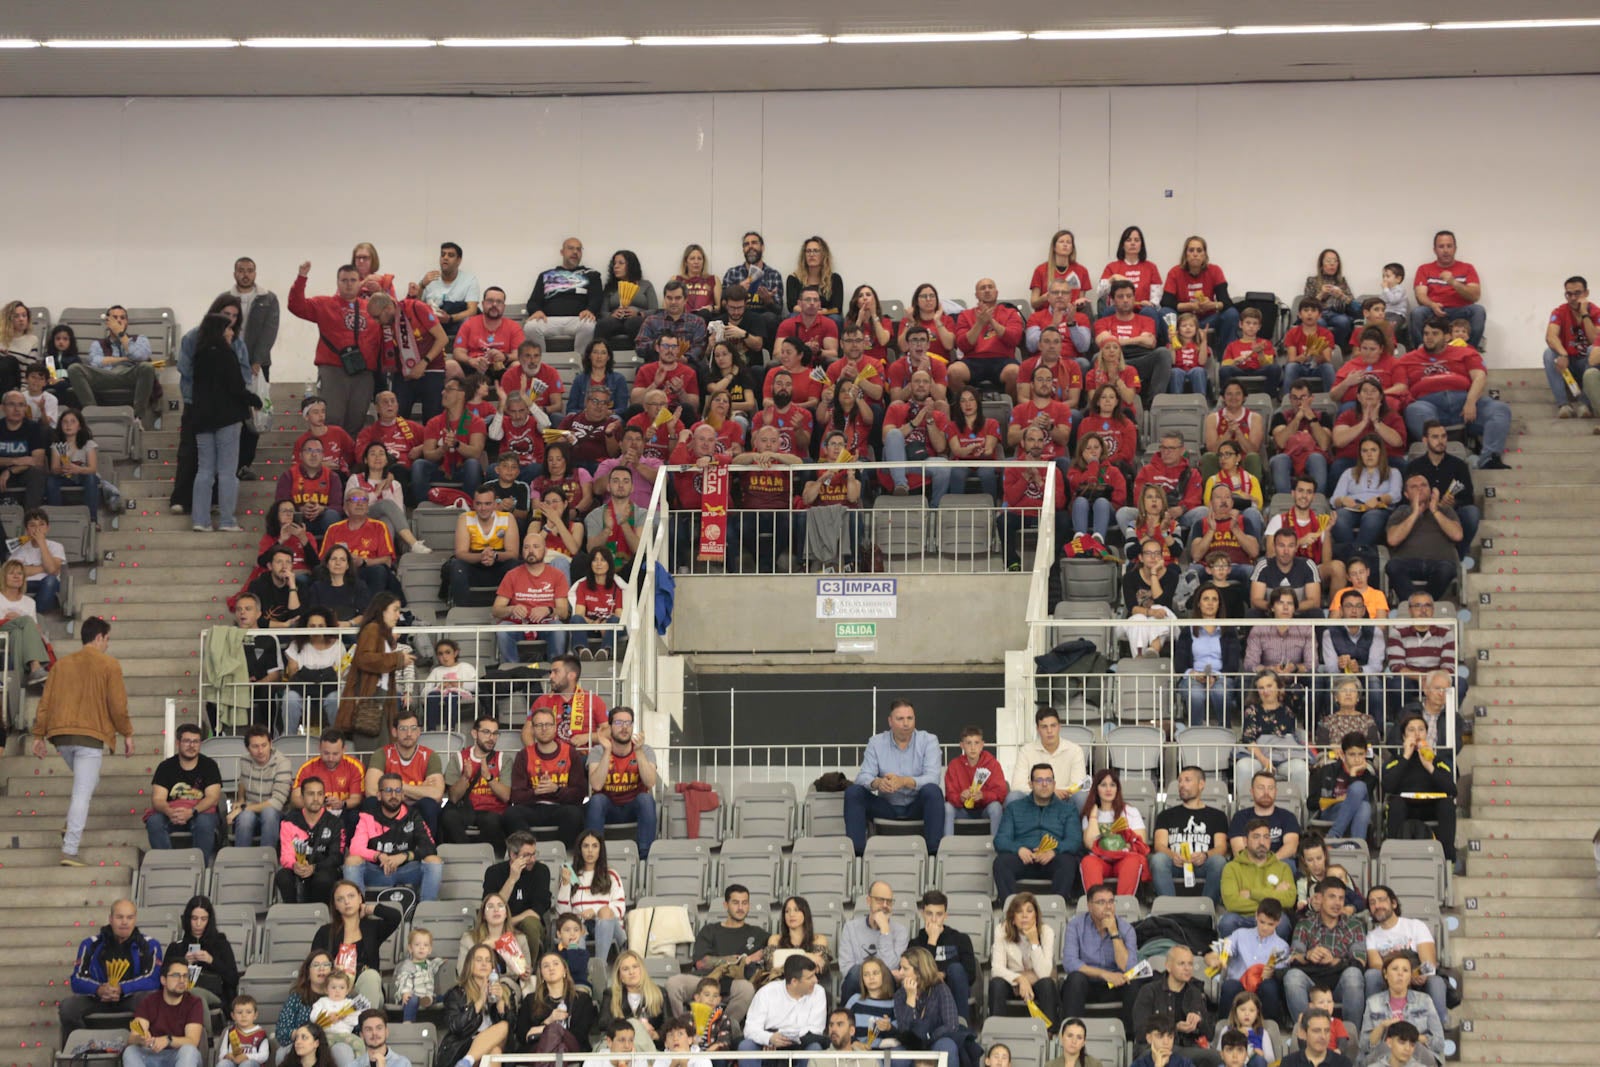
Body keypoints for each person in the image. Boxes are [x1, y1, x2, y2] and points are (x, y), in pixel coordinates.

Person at [29, 614, 131, 865]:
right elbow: (118, 706)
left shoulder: (61, 665)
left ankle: (70, 825)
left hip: (61, 736)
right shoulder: (110, 665)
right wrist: (127, 733)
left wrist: (38, 734)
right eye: (107, 639)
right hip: (90, 736)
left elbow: (45, 703)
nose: (107, 644)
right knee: (82, 794)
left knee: (88, 783)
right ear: (99, 638)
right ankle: (70, 849)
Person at [1395, 317, 1510, 470]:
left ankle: (1488, 459)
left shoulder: (1465, 353)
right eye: (1426, 333)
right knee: (1415, 410)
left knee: (1499, 409)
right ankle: (1441, 458)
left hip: (1464, 403)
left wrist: (1470, 402)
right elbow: (1400, 386)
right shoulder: (1407, 359)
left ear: (1447, 336)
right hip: (1429, 404)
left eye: (1435, 333)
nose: (1429, 337)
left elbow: (1480, 377)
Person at [288, 263, 380, 435]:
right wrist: (301, 278)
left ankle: (350, 452)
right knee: (332, 418)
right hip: (333, 370)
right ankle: (331, 451)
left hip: (363, 373)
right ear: (337, 282)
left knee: (357, 419)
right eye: (344, 280)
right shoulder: (324, 304)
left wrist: (381, 292)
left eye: (353, 280)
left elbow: (392, 316)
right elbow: (296, 306)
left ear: (360, 283)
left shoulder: (371, 308)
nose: (349, 284)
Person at [844, 699, 944, 856]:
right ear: (890, 721)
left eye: (910, 718)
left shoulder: (929, 740)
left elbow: (933, 778)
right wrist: (877, 782)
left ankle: (934, 854)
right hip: (886, 807)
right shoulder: (876, 742)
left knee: (933, 791)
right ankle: (856, 855)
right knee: (853, 792)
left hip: (916, 806)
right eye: (900, 719)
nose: (906, 723)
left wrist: (904, 781)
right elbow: (863, 777)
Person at [57, 899, 162, 1042]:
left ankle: (143, 1046)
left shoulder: (150, 945)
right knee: (68, 1007)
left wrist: (122, 989)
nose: (124, 922)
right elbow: (76, 980)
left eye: (129, 917)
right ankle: (82, 1047)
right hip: (98, 998)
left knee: (150, 1000)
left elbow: (153, 980)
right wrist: (99, 989)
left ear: (135, 920)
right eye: (119, 917)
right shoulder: (90, 944)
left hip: (131, 997)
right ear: (111, 919)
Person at [665, 884, 766, 1020]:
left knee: (747, 989)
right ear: (726, 905)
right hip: (705, 978)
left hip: (733, 983)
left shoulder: (757, 933)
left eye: (744, 903)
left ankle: (723, 1026)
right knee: (673, 983)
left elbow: (777, 942)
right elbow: (701, 963)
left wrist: (770, 945)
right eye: (735, 903)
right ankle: (682, 1026)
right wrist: (738, 960)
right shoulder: (710, 930)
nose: (740, 908)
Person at [342, 771, 443, 902]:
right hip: (377, 870)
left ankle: (426, 910)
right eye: (388, 791)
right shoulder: (368, 816)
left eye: (398, 791)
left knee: (434, 861)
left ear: (403, 794)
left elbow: (429, 847)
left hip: (407, 870)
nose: (394, 795)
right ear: (379, 795)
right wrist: (378, 856)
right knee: (352, 860)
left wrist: (404, 856)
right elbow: (355, 849)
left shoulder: (413, 816)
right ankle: (358, 910)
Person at [994, 763, 1086, 901]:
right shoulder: (1014, 808)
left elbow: (1074, 841)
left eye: (1048, 780)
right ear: (1030, 784)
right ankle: (1011, 908)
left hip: (1052, 859)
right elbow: (1000, 840)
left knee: (1068, 862)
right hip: (1024, 858)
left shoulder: (1068, 809)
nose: (1044, 784)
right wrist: (1018, 849)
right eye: (1039, 780)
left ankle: (1056, 907)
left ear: (1054, 784)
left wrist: (1054, 851)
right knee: (1001, 863)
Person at [1284, 880, 1366, 1030]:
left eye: (1341, 898)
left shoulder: (1354, 925)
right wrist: (1308, 955)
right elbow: (1294, 957)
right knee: (1292, 977)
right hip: (1312, 982)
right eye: (1332, 897)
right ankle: (1306, 1032)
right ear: (1319, 898)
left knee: (1354, 974)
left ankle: (1352, 1035)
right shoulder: (1304, 924)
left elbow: (1360, 960)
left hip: (1341, 981)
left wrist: (1334, 960)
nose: (1337, 903)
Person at [1364, 886, 1448, 1023]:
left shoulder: (1415, 926)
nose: (1377, 906)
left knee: (1436, 982)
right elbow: (1377, 966)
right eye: (1372, 903)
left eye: (1381, 900)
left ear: (1393, 903)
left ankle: (1438, 1032)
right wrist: (1400, 977)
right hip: (1389, 982)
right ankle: (1374, 1027)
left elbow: (1429, 965)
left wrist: (1412, 975)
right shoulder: (1371, 937)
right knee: (1371, 975)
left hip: (1416, 978)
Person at [1061, 883, 1139, 1030]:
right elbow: (1070, 963)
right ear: (1089, 906)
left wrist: (1114, 933)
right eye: (1101, 902)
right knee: (1075, 979)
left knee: (1134, 983)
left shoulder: (1126, 929)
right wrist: (1104, 974)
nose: (1108, 907)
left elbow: (1128, 967)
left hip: (1115, 986)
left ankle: (1129, 1037)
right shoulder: (1075, 925)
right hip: (1087, 984)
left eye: (1111, 901)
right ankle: (1070, 1033)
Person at [1402, 420, 1479, 568]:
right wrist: (1429, 504)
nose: (1441, 441)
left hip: (1451, 512)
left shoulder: (1459, 465)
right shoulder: (1414, 466)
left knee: (1472, 512)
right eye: (1435, 437)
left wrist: (1453, 502)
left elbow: (1468, 498)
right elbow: (1406, 497)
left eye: (1443, 436)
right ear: (1425, 440)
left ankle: (1459, 556)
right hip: (1423, 511)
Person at [585, 706, 660, 857]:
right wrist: (607, 752)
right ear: (610, 727)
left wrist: (638, 752)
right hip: (608, 807)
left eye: (628, 723)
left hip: (633, 806)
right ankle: (594, 855)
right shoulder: (598, 751)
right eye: (619, 723)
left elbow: (650, 782)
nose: (624, 727)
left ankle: (645, 857)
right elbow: (597, 785)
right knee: (596, 800)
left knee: (646, 799)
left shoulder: (645, 750)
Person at [1382, 714, 1458, 863]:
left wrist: (1429, 766)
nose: (1417, 734)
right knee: (1395, 803)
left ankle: (1447, 859)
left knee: (1447, 804)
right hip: (1406, 808)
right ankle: (1392, 857)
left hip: (1431, 807)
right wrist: (1405, 757)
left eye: (1421, 730)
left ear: (1426, 734)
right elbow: (1387, 786)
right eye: (1411, 730)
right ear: (1404, 736)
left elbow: (1452, 790)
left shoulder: (1439, 762)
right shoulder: (1395, 762)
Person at [1151, 766, 1230, 902]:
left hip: (1202, 865)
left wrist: (1205, 855)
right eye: (1180, 781)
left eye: (1187, 780)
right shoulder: (1166, 815)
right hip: (1176, 864)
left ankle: (1205, 907)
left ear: (1201, 784)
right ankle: (1169, 908)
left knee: (1219, 861)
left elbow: (1221, 848)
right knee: (1158, 860)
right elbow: (1159, 845)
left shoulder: (1217, 816)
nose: (1182, 785)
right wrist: (1173, 855)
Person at [145, 722, 223, 858]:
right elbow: (157, 799)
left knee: (204, 823)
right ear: (178, 743)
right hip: (172, 813)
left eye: (196, 742)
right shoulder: (165, 767)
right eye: (187, 741)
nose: (191, 746)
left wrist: (191, 812)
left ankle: (199, 866)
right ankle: (166, 864)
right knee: (154, 822)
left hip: (200, 812)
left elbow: (213, 798)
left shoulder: (209, 765)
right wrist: (170, 812)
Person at [363, 709, 443, 837]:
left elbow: (436, 794)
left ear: (419, 731)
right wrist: (419, 790)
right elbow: (371, 790)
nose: (409, 733)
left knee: (429, 804)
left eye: (413, 728)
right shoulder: (382, 754)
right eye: (403, 729)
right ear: (394, 732)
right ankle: (376, 846)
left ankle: (426, 847)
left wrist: (393, 789)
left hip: (416, 808)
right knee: (371, 802)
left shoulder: (429, 756)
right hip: (389, 806)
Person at [1384, 474, 1462, 602]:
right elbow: (1392, 539)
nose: (1420, 489)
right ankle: (1418, 605)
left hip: (1440, 562)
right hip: (1407, 562)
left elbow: (1457, 535)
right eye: (1414, 487)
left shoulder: (1445, 510)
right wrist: (1414, 513)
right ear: (1406, 495)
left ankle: (1419, 604)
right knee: (1392, 566)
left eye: (1424, 485)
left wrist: (1435, 511)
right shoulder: (1401, 511)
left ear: (1430, 490)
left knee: (1447, 569)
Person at [1132, 947, 1216, 1066]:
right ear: (1168, 966)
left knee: (1216, 1058)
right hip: (1155, 1048)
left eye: (1190, 964)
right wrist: (1175, 1028)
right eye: (1181, 964)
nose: (1187, 968)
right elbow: (1141, 1033)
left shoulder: (1195, 993)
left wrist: (1199, 1021)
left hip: (1188, 1048)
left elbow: (1210, 1034)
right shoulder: (1149, 991)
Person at [68, 305, 157, 418]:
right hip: (105, 376)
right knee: (74, 369)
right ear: (107, 322)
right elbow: (96, 362)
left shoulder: (140, 339)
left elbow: (140, 356)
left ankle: (137, 418)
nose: (119, 321)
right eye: (115, 318)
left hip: (129, 375)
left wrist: (121, 334)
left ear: (127, 322)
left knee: (147, 367)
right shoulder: (97, 344)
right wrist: (125, 359)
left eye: (122, 318)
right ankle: (92, 413)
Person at [440, 715, 512, 851]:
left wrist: (489, 778)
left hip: (493, 811)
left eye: (495, 733)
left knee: (492, 821)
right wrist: (465, 778)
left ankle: (489, 857)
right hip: (466, 810)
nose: (491, 738)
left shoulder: (503, 759)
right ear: (474, 733)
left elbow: (506, 796)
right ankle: (466, 853)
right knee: (448, 816)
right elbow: (453, 797)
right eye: (486, 732)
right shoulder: (459, 758)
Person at [737, 955, 827, 1065]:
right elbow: (750, 1029)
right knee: (746, 1046)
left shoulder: (818, 992)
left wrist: (787, 1037)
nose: (816, 980)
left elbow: (816, 1030)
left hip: (801, 1043)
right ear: (794, 981)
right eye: (810, 977)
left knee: (815, 1048)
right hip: (768, 1044)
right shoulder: (766, 992)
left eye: (815, 975)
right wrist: (769, 1038)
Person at [558, 830, 628, 969]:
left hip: (608, 925)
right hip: (582, 925)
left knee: (605, 911)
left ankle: (599, 966)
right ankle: (579, 971)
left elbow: (620, 908)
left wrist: (595, 912)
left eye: (595, 846)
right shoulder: (571, 875)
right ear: (580, 849)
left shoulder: (611, 874)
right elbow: (563, 913)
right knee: (573, 928)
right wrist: (565, 885)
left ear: (600, 850)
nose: (590, 851)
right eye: (586, 846)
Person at [524, 237, 603, 358]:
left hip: (577, 320)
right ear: (562, 252)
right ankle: (541, 364)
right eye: (571, 248)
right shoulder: (546, 275)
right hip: (549, 320)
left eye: (578, 249)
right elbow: (533, 301)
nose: (575, 252)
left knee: (589, 325)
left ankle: (581, 363)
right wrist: (536, 310)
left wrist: (590, 310)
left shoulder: (591, 275)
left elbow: (597, 298)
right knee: (530, 327)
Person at [1095, 280, 1173, 400]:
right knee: (1097, 358)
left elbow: (1150, 342)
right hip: (1114, 359)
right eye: (1120, 297)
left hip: (1141, 358)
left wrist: (1116, 341)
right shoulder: (1103, 322)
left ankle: (1154, 402)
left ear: (1134, 298)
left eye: (1129, 296)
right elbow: (1101, 342)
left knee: (1163, 353)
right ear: (1113, 300)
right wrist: (1139, 339)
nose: (1125, 300)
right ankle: (1103, 402)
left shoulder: (1147, 320)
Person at [1234, 669, 1308, 796]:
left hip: (1286, 755)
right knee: (1243, 766)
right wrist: (1264, 760)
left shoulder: (1289, 707)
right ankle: (1244, 805)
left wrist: (1281, 688)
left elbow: (1299, 689)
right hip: (1259, 756)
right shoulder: (1252, 710)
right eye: (1261, 688)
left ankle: (1301, 807)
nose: (1266, 691)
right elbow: (1248, 739)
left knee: (1300, 768)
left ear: (1278, 686)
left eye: (1269, 686)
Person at [1174, 585, 1240, 727]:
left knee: (1220, 691)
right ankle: (1196, 732)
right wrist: (1194, 674)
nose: (1210, 603)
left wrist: (1215, 676)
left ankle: (1225, 730)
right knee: (1195, 694)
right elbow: (1179, 663)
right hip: (1194, 677)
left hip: (1221, 676)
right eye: (1206, 599)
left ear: (1219, 604)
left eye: (1214, 599)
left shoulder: (1229, 630)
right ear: (1198, 603)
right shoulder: (1187, 630)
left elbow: (1233, 664)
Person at [987, 891, 1059, 1021]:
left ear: (1036, 916)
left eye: (1029, 911)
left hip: (1037, 984)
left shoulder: (1046, 932)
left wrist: (1034, 942)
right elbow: (996, 969)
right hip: (1011, 984)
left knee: (1047, 984)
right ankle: (997, 1027)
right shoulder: (1001, 930)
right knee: (996, 984)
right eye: (1019, 912)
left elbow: (1044, 973)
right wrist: (1020, 979)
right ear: (1013, 918)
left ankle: (1049, 1031)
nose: (1025, 916)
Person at [275, 774, 346, 905]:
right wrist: (294, 866)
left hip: (323, 869)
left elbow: (337, 857)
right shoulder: (290, 821)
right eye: (310, 794)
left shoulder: (335, 823)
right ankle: (292, 913)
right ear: (302, 797)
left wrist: (314, 868)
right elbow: (285, 855)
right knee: (282, 876)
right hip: (298, 868)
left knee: (324, 878)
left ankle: (318, 914)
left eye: (320, 794)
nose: (316, 799)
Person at [1219, 819, 1297, 938]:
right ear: (1245, 841)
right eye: (1256, 837)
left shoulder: (1283, 867)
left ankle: (1274, 951)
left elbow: (1289, 900)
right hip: (1242, 917)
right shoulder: (1231, 868)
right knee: (1227, 922)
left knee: (1283, 923)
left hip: (1271, 918)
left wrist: (1252, 894)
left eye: (1266, 837)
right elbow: (1232, 903)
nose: (1262, 842)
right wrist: (1274, 895)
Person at [413, 377, 487, 501]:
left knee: (473, 464)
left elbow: (476, 452)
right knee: (419, 465)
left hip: (463, 469)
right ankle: (424, 504)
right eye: (444, 389)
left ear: (462, 394)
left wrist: (456, 444)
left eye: (448, 389)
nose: (443, 392)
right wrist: (443, 449)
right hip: (440, 467)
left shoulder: (476, 422)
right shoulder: (434, 422)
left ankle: (470, 505)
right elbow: (427, 454)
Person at [439, 943, 512, 1067]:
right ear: (470, 964)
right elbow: (456, 1026)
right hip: (465, 1046)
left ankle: (467, 1061)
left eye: (488, 960)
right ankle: (467, 1060)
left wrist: (500, 1002)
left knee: (503, 1027)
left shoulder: (505, 991)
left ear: (493, 966)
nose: (484, 964)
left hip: (495, 1044)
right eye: (479, 960)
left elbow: (511, 1028)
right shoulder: (456, 993)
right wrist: (480, 1001)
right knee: (495, 1053)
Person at [122, 958, 206, 1067]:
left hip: (179, 1055)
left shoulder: (194, 1002)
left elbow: (193, 1041)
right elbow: (132, 1038)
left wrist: (168, 1040)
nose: (182, 980)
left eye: (185, 976)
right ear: (163, 980)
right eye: (176, 975)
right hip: (152, 1053)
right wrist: (141, 1039)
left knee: (189, 1050)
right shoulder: (149, 1001)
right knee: (130, 1051)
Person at [1409, 231, 1484, 349]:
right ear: (1434, 250)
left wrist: (1453, 282)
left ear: (1455, 249)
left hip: (1460, 310)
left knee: (1478, 310)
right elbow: (1420, 295)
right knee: (1417, 313)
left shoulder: (1467, 268)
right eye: (1441, 246)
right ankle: (1422, 352)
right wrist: (1432, 305)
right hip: (1434, 311)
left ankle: (1469, 352)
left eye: (1449, 246)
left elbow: (1475, 296)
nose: (1445, 250)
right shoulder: (1424, 269)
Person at [948, 277, 1024, 395]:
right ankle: (965, 404)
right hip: (973, 360)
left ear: (996, 292)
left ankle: (1011, 406)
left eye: (990, 287)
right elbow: (963, 345)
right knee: (953, 372)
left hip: (1003, 360)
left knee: (1015, 372)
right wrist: (979, 323)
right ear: (976, 295)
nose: (987, 290)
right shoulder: (965, 315)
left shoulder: (1010, 313)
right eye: (983, 288)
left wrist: (991, 321)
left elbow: (1014, 339)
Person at [838, 880, 910, 1003]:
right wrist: (872, 975)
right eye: (880, 900)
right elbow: (846, 968)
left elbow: (891, 968)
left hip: (886, 988)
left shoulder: (901, 931)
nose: (885, 905)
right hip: (856, 985)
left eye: (889, 901)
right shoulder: (850, 928)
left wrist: (885, 931)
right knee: (854, 972)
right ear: (868, 901)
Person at [1080, 769, 1149, 896]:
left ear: (1117, 789)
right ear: (1096, 789)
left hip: (1123, 858)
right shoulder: (1089, 814)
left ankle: (1124, 904)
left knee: (1133, 860)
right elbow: (1090, 844)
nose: (1108, 789)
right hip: (1100, 860)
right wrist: (1093, 814)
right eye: (1103, 785)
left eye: (1112, 785)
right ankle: (1097, 902)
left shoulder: (1130, 811)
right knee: (1088, 861)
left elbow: (1141, 842)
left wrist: (1122, 846)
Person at [1164, 236, 1240, 350]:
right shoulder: (1175, 272)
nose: (1195, 254)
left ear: (1205, 255)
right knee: (1165, 312)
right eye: (1191, 250)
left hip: (1207, 319)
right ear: (1185, 254)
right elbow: (1166, 302)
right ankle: (1175, 351)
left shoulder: (1215, 270)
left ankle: (1227, 355)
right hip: (1183, 322)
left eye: (1199, 250)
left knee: (1231, 314)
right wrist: (1191, 306)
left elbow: (1226, 302)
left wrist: (1212, 305)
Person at [524, 652, 610, 752]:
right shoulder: (542, 700)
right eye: (551, 672)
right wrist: (535, 753)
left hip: (584, 755)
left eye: (556, 672)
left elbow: (609, 731)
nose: (551, 676)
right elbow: (527, 730)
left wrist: (588, 737)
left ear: (571, 675)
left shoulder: (593, 700)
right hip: (552, 756)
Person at [166, 894, 239, 1012]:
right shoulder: (176, 947)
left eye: (203, 919)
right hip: (181, 995)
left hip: (215, 995)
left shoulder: (221, 944)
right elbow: (164, 980)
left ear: (209, 920)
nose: (198, 924)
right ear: (188, 919)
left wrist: (212, 961)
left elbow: (233, 979)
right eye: (194, 918)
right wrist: (182, 963)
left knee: (195, 996)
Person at [321, 491, 397, 602]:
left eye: (364, 500)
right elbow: (323, 559)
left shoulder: (379, 527)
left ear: (368, 507)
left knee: (379, 571)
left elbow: (387, 561)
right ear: (345, 506)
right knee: (319, 571)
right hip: (340, 571)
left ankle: (370, 609)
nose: (360, 503)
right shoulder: (333, 529)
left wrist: (363, 562)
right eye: (355, 500)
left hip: (366, 570)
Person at [1541, 275, 1599, 417]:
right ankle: (1563, 405)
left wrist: (1584, 314)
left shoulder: (1596, 312)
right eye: (1569, 294)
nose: (1573, 298)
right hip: (1568, 365)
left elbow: (1595, 341)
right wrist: (1563, 354)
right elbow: (1550, 336)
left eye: (1577, 293)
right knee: (1549, 353)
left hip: (1588, 366)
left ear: (1586, 293)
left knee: (1593, 351)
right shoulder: (1559, 311)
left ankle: (1585, 404)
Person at [516, 951, 597, 1052]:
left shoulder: (582, 999)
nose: (551, 968)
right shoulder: (531, 1000)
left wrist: (544, 1030)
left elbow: (580, 1035)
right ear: (541, 974)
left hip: (571, 1052)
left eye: (556, 964)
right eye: (546, 966)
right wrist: (549, 1021)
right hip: (538, 1052)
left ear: (565, 971)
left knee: (559, 1046)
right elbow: (523, 1035)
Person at [226, 724, 291, 848]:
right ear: (248, 748)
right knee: (245, 818)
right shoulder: (245, 760)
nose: (260, 751)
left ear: (270, 744)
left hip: (275, 812)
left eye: (264, 745)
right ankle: (241, 858)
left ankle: (266, 857)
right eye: (255, 746)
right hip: (250, 808)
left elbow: (277, 803)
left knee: (269, 813)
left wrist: (242, 808)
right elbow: (242, 781)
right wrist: (241, 800)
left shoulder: (283, 763)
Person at [1270, 381, 1334, 495]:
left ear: (1311, 398)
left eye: (1303, 398)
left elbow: (1324, 445)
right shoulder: (1280, 417)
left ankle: (1317, 500)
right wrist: (1297, 418)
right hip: (1288, 457)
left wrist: (1312, 419)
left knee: (1317, 458)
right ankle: (1284, 501)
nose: (1299, 402)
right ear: (1290, 399)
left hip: (1313, 457)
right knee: (1280, 460)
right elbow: (1280, 442)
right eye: (1295, 398)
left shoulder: (1323, 417)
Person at [944, 725, 1009, 837]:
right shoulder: (954, 765)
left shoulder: (992, 763)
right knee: (947, 808)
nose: (973, 747)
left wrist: (983, 795)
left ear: (982, 744)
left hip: (985, 809)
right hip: (962, 809)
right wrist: (960, 797)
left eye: (976, 743)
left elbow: (1001, 793)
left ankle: (997, 845)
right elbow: (950, 794)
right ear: (962, 745)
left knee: (996, 807)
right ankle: (947, 844)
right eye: (968, 743)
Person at [1314, 733, 1378, 843]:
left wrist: (1353, 773)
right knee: (1362, 802)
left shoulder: (1369, 777)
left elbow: (1359, 797)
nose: (1357, 759)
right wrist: (1337, 800)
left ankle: (1337, 836)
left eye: (1361, 754)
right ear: (1343, 754)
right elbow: (1311, 802)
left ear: (1365, 754)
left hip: (1358, 814)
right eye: (1352, 754)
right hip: (1331, 811)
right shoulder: (1328, 770)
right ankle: (1355, 845)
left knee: (1364, 805)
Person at [275, 439, 344, 537]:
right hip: (297, 519)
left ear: (323, 455)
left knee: (332, 515)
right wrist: (300, 509)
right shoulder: (288, 476)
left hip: (323, 519)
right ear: (300, 455)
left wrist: (322, 509)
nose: (313, 455)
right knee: (286, 515)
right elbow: (280, 505)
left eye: (318, 451)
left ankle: (332, 546)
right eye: (309, 450)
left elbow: (338, 507)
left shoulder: (332, 477)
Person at [46, 407, 103, 522]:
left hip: (83, 475)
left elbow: (92, 469)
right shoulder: (56, 445)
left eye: (73, 421)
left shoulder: (88, 444)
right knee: (51, 480)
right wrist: (63, 469)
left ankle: (92, 519)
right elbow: (54, 469)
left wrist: (77, 469)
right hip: (64, 476)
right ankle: (55, 517)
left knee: (91, 478)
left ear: (79, 426)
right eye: (65, 422)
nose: (68, 425)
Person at [0, 389, 47, 507]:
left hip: (22, 473)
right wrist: (15, 460)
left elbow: (37, 461)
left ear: (26, 408)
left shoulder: (34, 428)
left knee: (36, 473)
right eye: (12, 404)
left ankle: (31, 515)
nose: (17, 409)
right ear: (3, 408)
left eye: (21, 405)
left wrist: (10, 470)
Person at [1281, 1007, 1352, 1067]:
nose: (1323, 1036)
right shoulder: (1288, 1063)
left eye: (1327, 1031)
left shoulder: (1343, 1063)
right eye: (1316, 1031)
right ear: (1304, 1034)